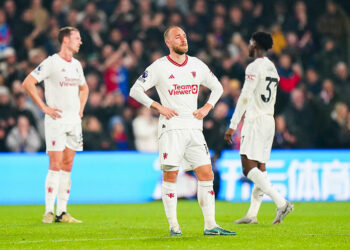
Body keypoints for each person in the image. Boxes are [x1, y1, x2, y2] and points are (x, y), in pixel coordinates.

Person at [130, 26, 235, 236]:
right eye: (178, 37)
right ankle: (174, 226)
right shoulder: (159, 67)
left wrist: (207, 107)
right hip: (171, 129)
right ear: (168, 43)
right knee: (170, 176)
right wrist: (158, 107)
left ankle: (211, 225)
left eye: (185, 36)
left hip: (194, 129)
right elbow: (135, 90)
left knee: (206, 174)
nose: (183, 39)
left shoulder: (196, 64)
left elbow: (218, 87)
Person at [224, 31, 293, 225]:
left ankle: (281, 202)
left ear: (255, 45)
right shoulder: (272, 68)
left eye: (250, 43)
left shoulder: (254, 67)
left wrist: (232, 125)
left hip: (255, 121)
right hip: (268, 119)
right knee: (261, 168)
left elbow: (245, 96)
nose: (248, 46)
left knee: (248, 168)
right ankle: (252, 214)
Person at [22, 27, 89, 223]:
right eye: (77, 38)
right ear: (65, 40)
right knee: (55, 164)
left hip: (73, 121)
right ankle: (48, 211)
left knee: (68, 165)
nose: (80, 41)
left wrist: (81, 108)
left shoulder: (77, 65)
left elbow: (84, 88)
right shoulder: (52, 62)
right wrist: (43, 107)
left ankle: (62, 212)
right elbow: (28, 82)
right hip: (56, 120)